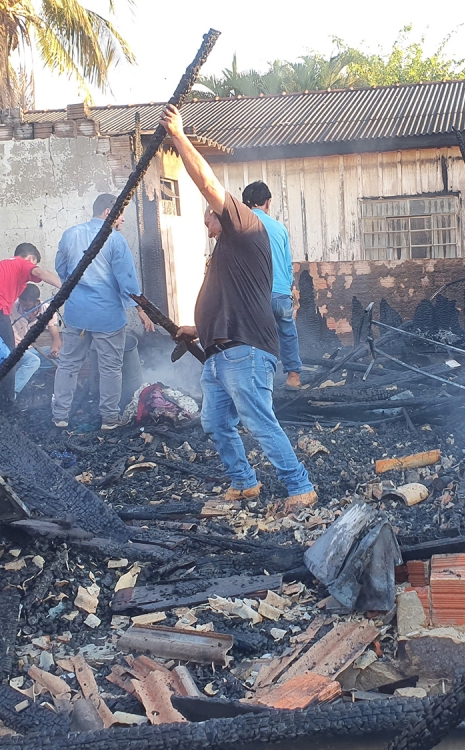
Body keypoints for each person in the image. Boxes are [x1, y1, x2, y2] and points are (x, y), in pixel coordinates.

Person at [160, 104, 317, 512]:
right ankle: (244, 482)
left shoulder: (245, 227)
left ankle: (300, 486)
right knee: (215, 422)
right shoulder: (227, 251)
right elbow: (231, 301)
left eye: (209, 215)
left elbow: (208, 181)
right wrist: (197, 329)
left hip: (245, 351)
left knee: (258, 420)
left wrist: (178, 137)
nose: (205, 221)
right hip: (219, 352)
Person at [52, 194, 154, 430]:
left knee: (68, 364)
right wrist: (140, 309)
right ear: (109, 212)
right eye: (121, 214)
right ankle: (109, 418)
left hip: (77, 315)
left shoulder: (71, 234)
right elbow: (127, 281)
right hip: (107, 317)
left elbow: (62, 269)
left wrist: (78, 290)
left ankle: (59, 416)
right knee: (110, 367)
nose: (123, 219)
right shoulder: (115, 241)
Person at [0, 243, 61, 410]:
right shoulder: (21, 263)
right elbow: (40, 273)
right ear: (31, 258)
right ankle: (6, 404)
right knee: (10, 357)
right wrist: (66, 285)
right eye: (34, 262)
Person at [241, 181, 303, 389]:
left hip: (255, 295)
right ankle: (293, 376)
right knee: (287, 332)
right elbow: (287, 267)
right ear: (268, 202)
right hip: (281, 294)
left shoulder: (240, 226)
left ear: (244, 204)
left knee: (253, 337)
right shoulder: (280, 228)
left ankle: (258, 381)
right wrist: (291, 299)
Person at [11, 283, 62, 396]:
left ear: (37, 301)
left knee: (64, 357)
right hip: (13, 351)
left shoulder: (47, 310)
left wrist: (55, 349)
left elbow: (56, 337)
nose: (24, 308)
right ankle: (10, 394)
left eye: (28, 305)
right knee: (34, 361)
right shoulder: (12, 306)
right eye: (22, 304)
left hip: (29, 350)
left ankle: (32, 381)